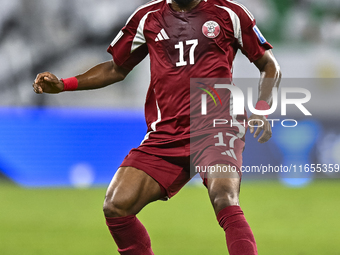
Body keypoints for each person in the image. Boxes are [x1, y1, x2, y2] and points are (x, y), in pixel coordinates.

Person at [33, 0, 281, 254]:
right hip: (167, 132)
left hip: (216, 125)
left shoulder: (230, 13)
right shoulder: (146, 17)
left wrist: (262, 108)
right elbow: (116, 69)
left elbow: (270, 66)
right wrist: (65, 84)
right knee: (116, 205)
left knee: (224, 197)